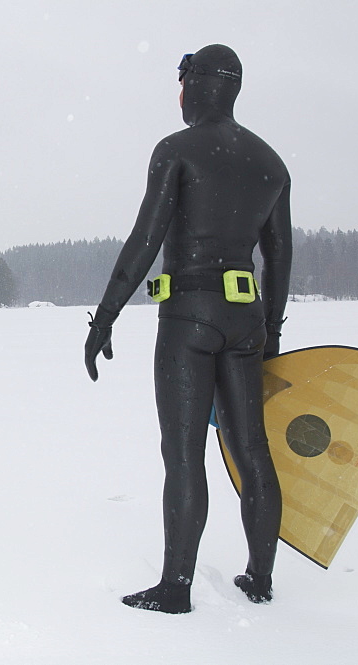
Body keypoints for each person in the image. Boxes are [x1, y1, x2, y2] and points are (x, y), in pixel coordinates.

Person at [84, 44, 292, 614]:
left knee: (183, 454)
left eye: (182, 84)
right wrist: (270, 332)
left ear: (197, 85)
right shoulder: (271, 164)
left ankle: (176, 587)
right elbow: (279, 257)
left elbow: (144, 241)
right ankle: (260, 578)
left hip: (188, 317)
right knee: (253, 452)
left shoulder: (176, 151)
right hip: (245, 319)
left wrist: (105, 317)